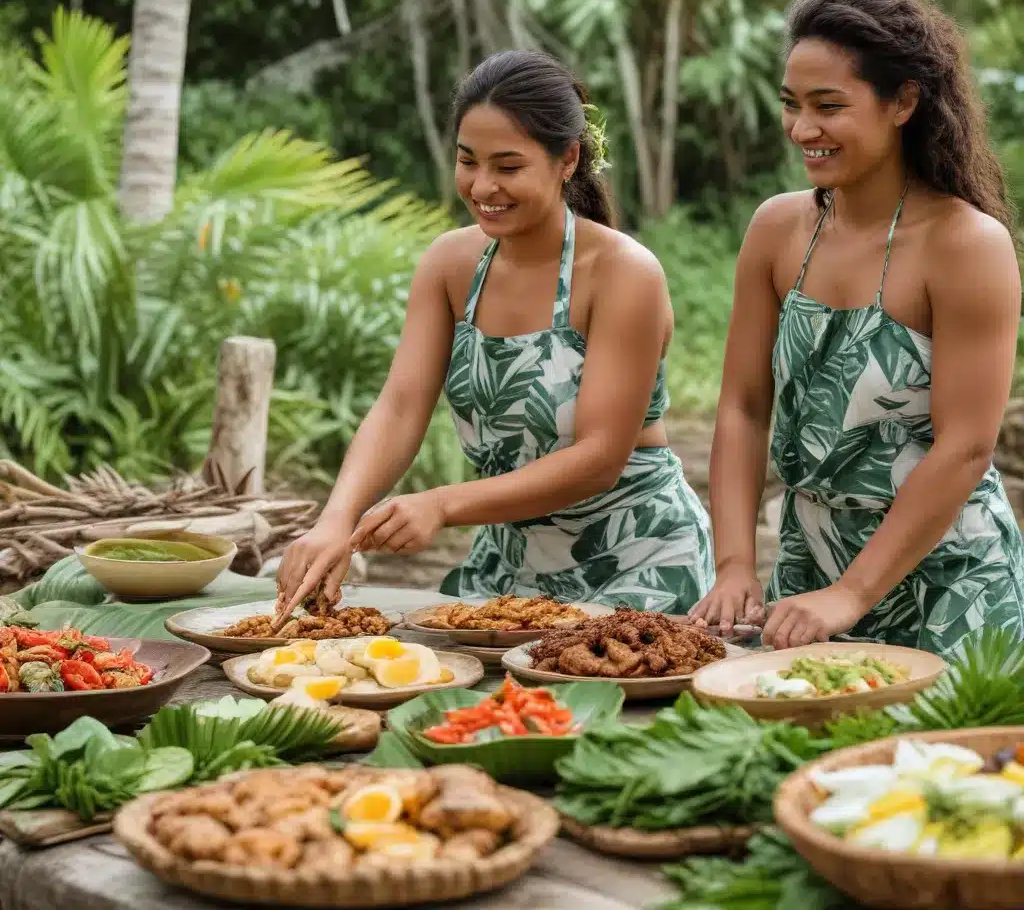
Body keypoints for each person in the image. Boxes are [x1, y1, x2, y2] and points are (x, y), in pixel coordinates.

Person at [275, 49, 714, 622]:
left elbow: (600, 457)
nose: (483, 186)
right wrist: (336, 519)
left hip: (637, 561)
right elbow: (402, 406)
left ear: (567, 160)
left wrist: (442, 503)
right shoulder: (451, 265)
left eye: (508, 167)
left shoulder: (623, 273)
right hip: (507, 568)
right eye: (468, 161)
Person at [690, 0, 1024, 658]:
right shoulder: (777, 230)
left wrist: (852, 594)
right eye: (791, 104)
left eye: (828, 105)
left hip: (947, 583)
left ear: (903, 102)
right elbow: (744, 407)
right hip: (807, 573)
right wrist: (734, 566)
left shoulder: (966, 244)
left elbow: (965, 447)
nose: (802, 128)